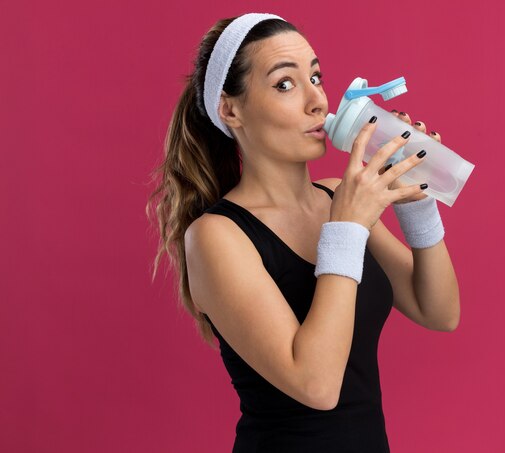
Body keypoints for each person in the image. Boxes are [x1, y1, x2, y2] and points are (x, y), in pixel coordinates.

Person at [146, 12, 460, 452]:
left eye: (316, 75)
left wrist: (417, 202)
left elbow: (439, 311)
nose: (317, 100)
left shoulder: (336, 196)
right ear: (230, 109)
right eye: (285, 84)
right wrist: (349, 227)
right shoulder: (216, 236)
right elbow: (316, 384)